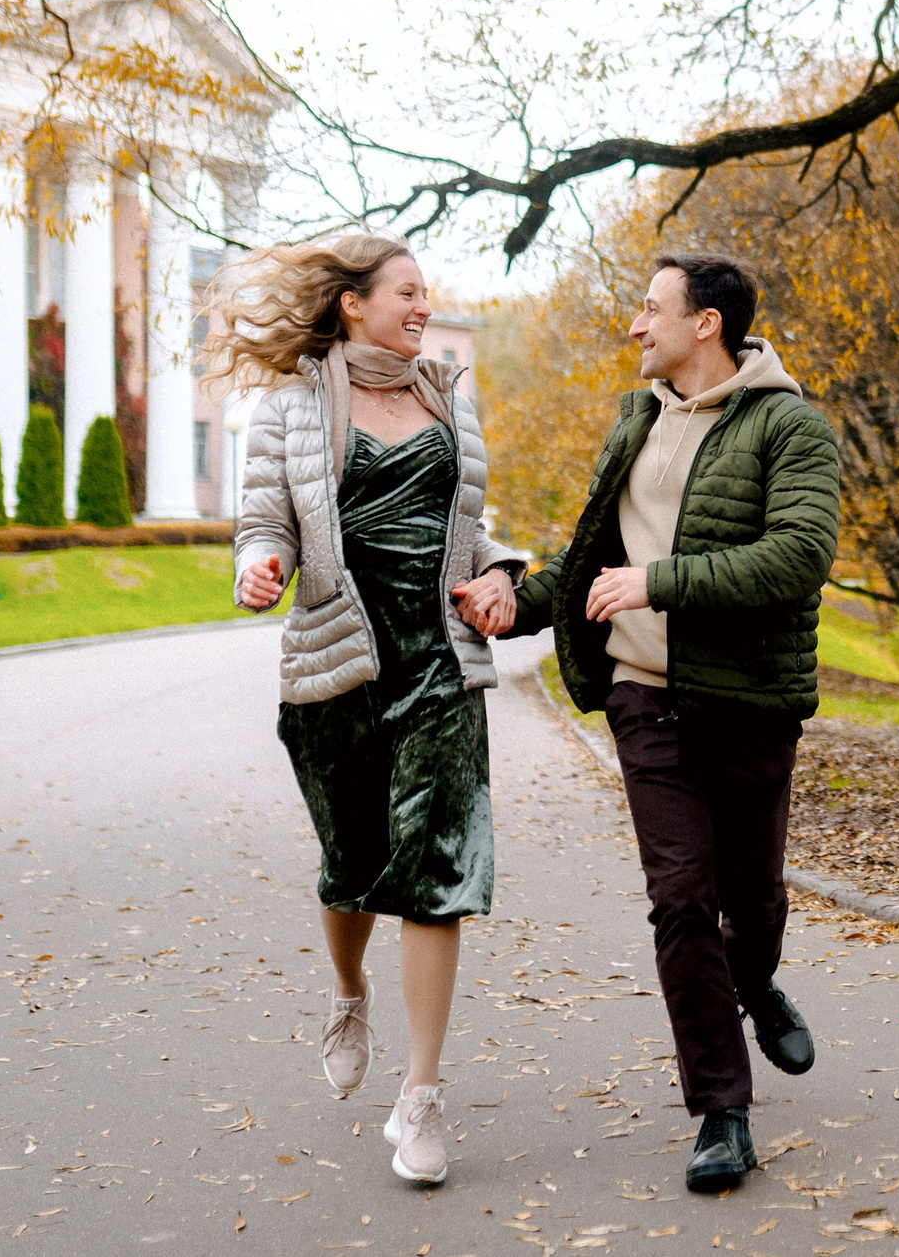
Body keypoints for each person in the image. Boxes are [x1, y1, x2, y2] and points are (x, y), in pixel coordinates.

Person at [508, 252, 840, 1194]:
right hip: (644, 695)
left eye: (650, 308)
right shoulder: (637, 420)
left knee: (753, 899)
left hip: (749, 701)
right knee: (682, 898)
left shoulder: (791, 426)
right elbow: (596, 556)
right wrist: (513, 602)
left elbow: (799, 554)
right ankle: (722, 1111)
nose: (635, 324)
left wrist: (660, 582)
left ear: (706, 323)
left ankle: (755, 979)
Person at [217, 233, 527, 1186]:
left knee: (437, 870)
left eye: (427, 293)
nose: (423, 306)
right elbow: (263, 521)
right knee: (351, 865)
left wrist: (501, 579)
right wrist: (259, 565)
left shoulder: (449, 398)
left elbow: (472, 530)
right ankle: (349, 990)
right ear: (354, 303)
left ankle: (422, 1094)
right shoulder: (291, 406)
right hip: (340, 665)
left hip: (440, 663)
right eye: (407, 291)